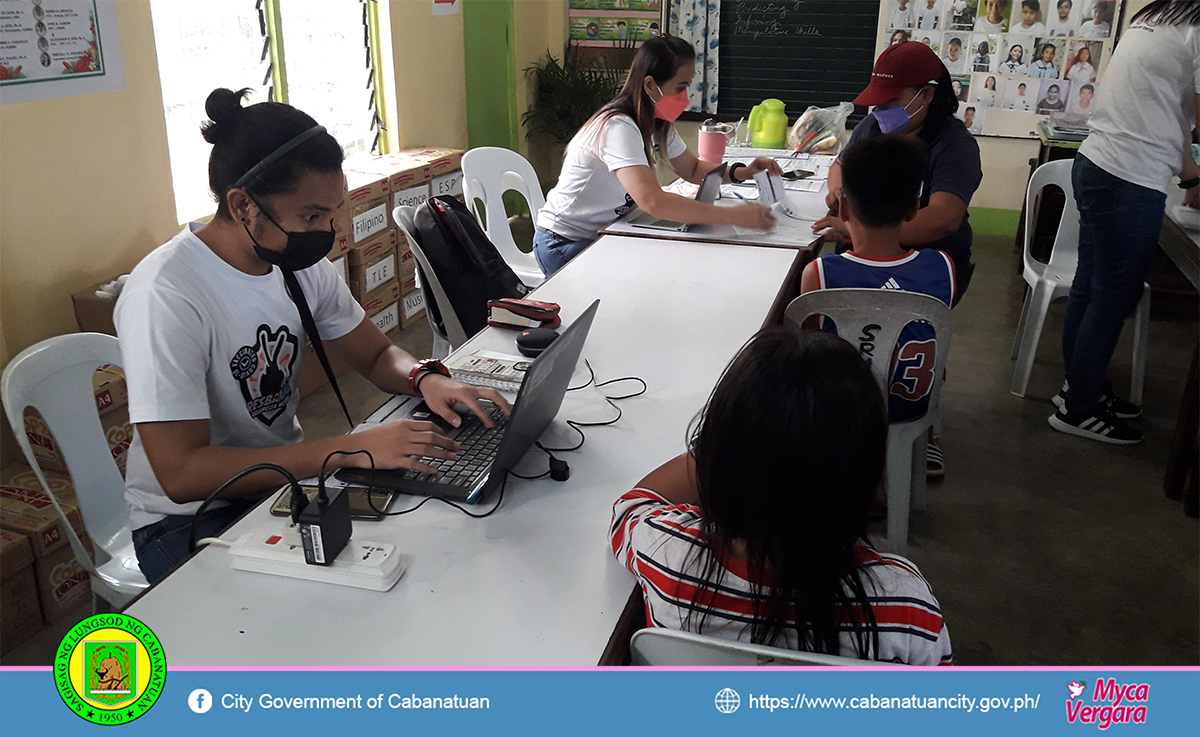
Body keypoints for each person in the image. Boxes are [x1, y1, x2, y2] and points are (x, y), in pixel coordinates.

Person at [115, 88, 511, 583]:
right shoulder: (167, 294)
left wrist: (426, 379)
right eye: (310, 216)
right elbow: (182, 474)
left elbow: (375, 355)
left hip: (281, 483)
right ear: (243, 206)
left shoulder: (294, 263)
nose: (329, 230)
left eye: (332, 212)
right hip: (189, 520)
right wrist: (349, 449)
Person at [609, 328, 953, 664]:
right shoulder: (907, 607)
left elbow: (631, 507)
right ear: (869, 478)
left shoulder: (667, 556)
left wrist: (726, 450)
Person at [1051, 0, 1200, 444]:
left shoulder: (1163, 16)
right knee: (1114, 295)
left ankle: (1080, 386)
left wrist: (1189, 170)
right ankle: (1079, 409)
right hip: (1129, 179)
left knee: (1091, 284)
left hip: (1099, 163)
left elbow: (1163, 107)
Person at [534, 36, 778, 275]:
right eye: (680, 87)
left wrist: (744, 172)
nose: (686, 98)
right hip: (563, 242)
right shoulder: (617, 127)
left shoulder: (656, 124)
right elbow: (653, 201)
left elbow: (692, 169)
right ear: (650, 85)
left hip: (608, 232)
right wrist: (733, 216)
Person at [801, 135, 957, 427]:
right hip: (913, 411)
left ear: (843, 208)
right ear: (913, 209)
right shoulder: (942, 267)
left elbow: (808, 351)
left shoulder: (821, 273)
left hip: (838, 416)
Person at [814, 42, 982, 301]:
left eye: (890, 100)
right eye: (877, 102)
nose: (880, 110)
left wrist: (863, 231)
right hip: (862, 248)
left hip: (928, 259)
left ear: (926, 95)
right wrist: (838, 189)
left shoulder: (955, 145)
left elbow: (944, 218)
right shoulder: (872, 126)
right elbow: (840, 165)